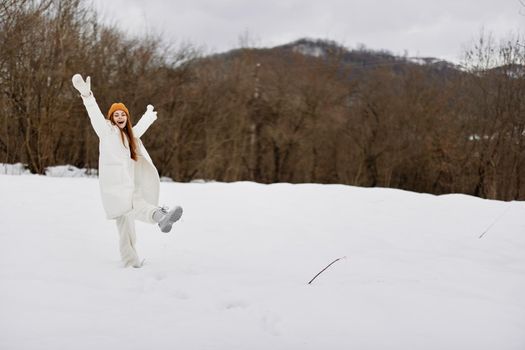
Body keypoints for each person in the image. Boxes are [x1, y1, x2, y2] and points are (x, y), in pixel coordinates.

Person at [71, 74, 183, 268]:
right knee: (134, 209)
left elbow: (139, 128)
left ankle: (132, 262)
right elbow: (95, 115)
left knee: (127, 230)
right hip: (116, 187)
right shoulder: (106, 132)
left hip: (130, 184)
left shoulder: (130, 136)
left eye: (123, 114)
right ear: (111, 118)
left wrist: (149, 115)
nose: (120, 117)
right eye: (117, 115)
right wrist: (87, 96)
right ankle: (159, 216)